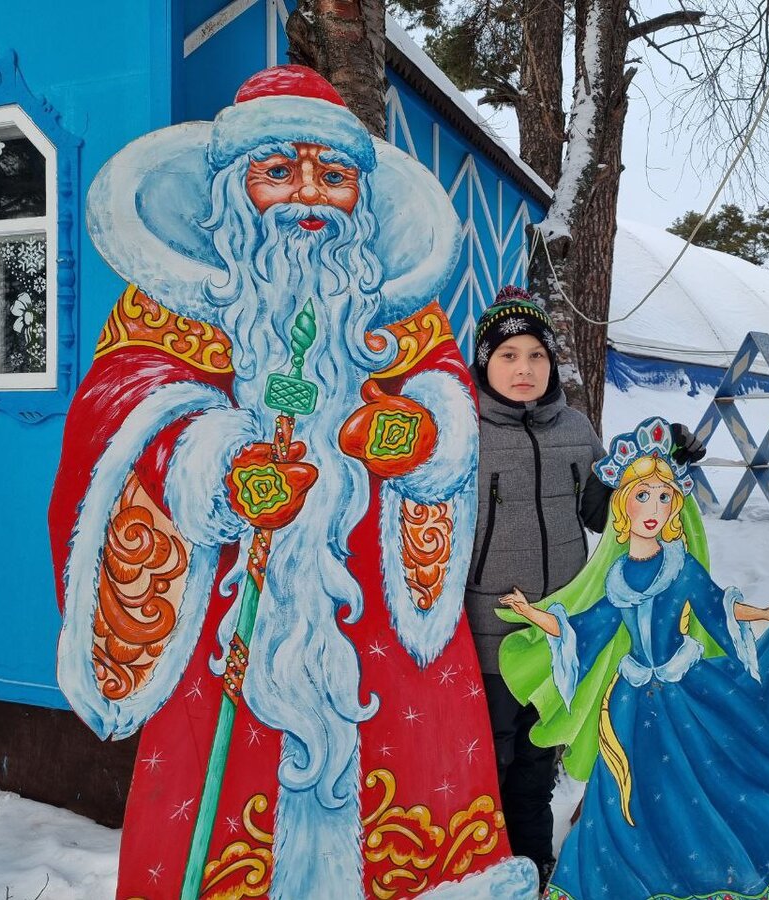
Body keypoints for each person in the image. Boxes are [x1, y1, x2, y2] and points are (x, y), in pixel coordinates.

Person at [49, 66, 537, 899]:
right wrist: (218, 463)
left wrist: (414, 432)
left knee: (415, 786)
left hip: (376, 620)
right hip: (229, 618)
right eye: (279, 171)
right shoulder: (171, 307)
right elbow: (117, 407)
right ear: (234, 189)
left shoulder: (396, 310)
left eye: (334, 176)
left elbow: (446, 398)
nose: (309, 195)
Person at [498, 416, 769, 900]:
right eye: (642, 496)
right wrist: (532, 614)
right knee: (628, 792)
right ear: (622, 509)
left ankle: (704, 861)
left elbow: (717, 607)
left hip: (686, 690)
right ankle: (637, 869)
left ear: (676, 506)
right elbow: (583, 630)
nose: (653, 507)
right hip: (630, 701)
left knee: (700, 779)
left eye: (664, 497)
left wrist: (762, 613)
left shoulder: (679, 565)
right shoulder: (614, 580)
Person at [464, 290, 703, 891]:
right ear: (484, 362)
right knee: (489, 757)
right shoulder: (460, 430)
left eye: (537, 356)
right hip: (485, 629)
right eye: (509, 355)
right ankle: (480, 866)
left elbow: (607, 511)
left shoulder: (574, 429)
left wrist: (660, 460)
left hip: (561, 629)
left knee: (537, 760)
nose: (524, 369)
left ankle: (534, 865)